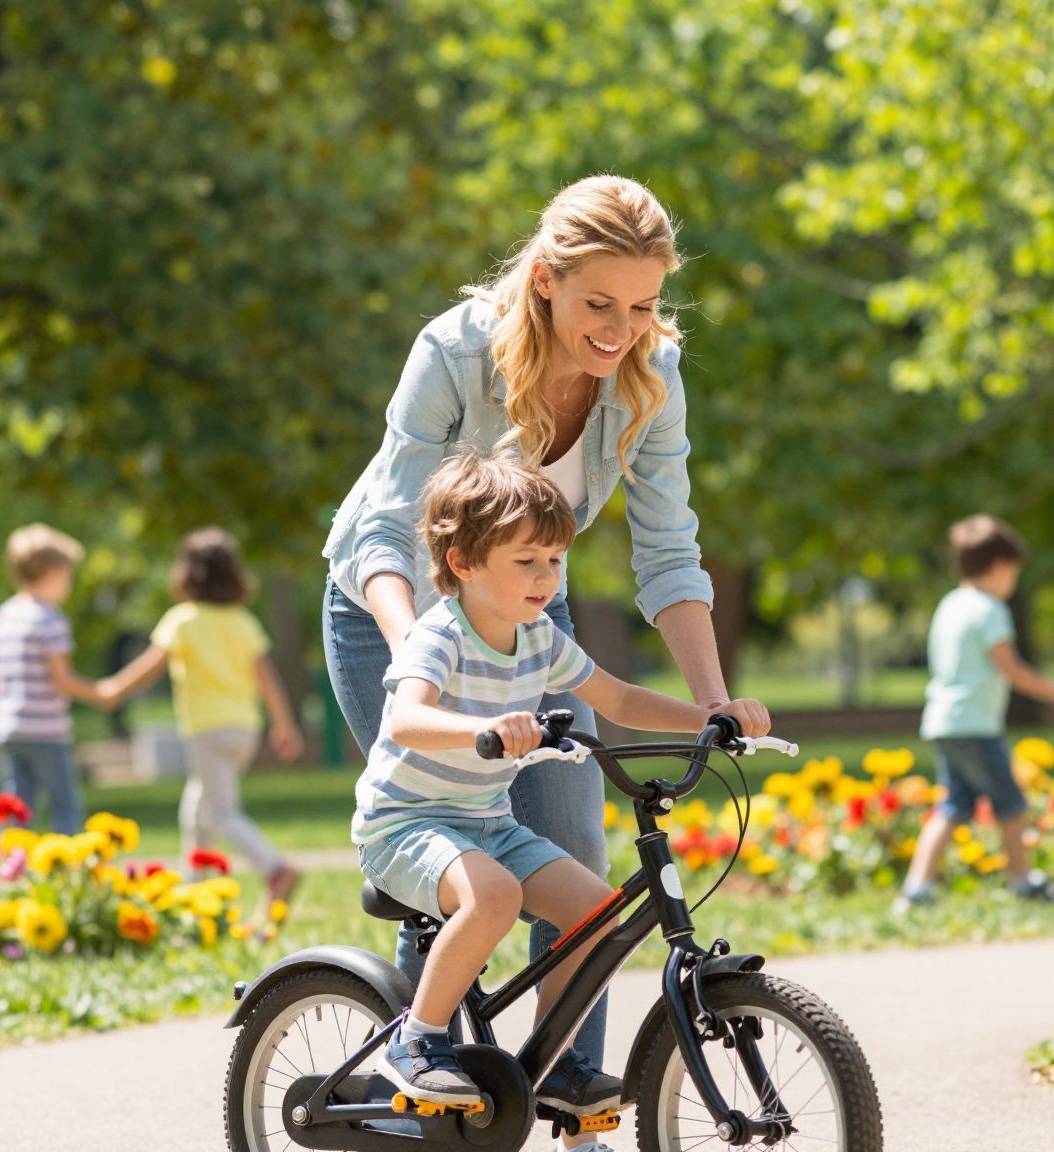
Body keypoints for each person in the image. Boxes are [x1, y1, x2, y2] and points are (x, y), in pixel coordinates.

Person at [320, 175, 766, 1144]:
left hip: (528, 610)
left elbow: (668, 549)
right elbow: (389, 527)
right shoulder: (457, 349)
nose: (621, 329)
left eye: (643, 305)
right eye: (598, 303)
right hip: (392, 607)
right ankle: (420, 1079)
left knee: (571, 865)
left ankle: (561, 1079)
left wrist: (714, 701)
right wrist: (422, 660)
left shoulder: (652, 372)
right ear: (548, 280)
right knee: (450, 836)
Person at [360, 453, 720, 1116]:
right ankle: (416, 1041)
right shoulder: (439, 635)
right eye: (526, 561)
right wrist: (485, 728)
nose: (546, 577)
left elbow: (618, 699)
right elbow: (406, 719)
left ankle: (555, 1065)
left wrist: (712, 717)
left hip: (486, 825)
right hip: (407, 825)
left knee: (596, 915)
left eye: (554, 561)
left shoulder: (540, 639)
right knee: (493, 896)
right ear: (464, 562)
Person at [98, 528, 306, 907]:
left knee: (223, 813)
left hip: (207, 731)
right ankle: (193, 889)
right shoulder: (242, 621)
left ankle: (275, 868)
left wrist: (115, 690)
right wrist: (284, 724)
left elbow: (150, 666)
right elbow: (267, 676)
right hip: (243, 730)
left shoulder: (182, 619)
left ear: (186, 574)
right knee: (197, 808)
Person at [894, 516, 1054, 914]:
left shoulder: (950, 604)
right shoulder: (990, 610)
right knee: (1011, 804)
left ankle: (917, 888)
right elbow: (1010, 668)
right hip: (975, 724)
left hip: (942, 720)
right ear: (998, 567)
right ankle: (1023, 882)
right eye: (1013, 573)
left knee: (954, 806)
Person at [0, 524, 108, 835]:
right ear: (53, 573)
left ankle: (9, 871)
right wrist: (99, 693)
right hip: (46, 729)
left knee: (15, 805)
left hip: (8, 726)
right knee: (65, 803)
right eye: (68, 575)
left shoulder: (4, 616)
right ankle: (66, 870)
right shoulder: (50, 619)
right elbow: (61, 679)